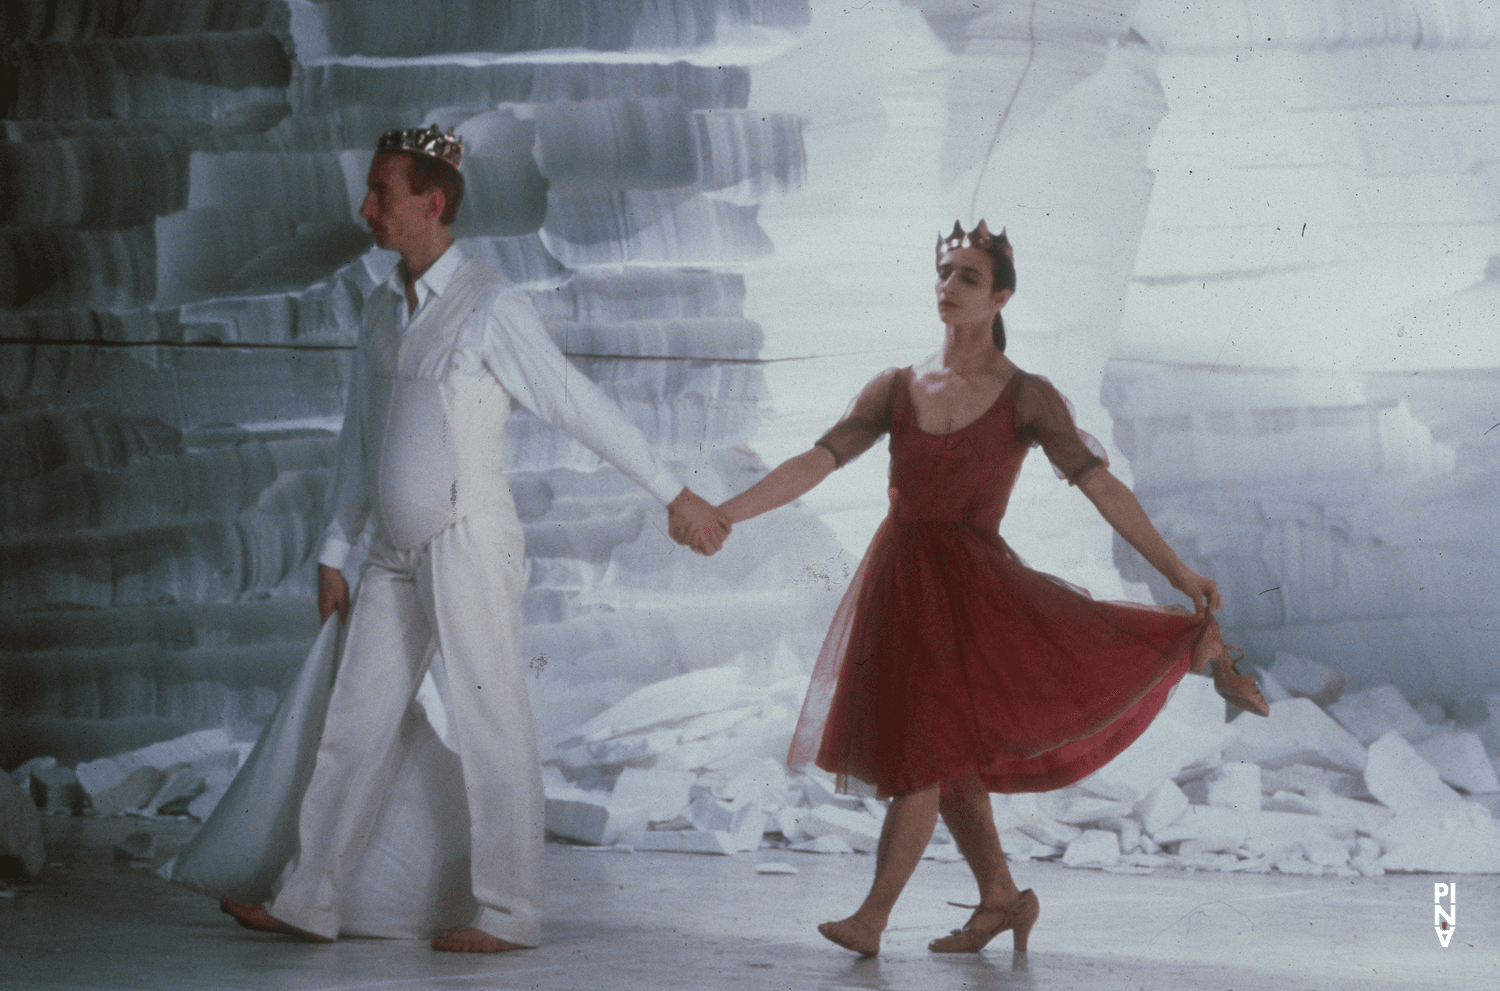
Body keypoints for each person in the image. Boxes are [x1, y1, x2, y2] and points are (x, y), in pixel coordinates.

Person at [216, 124, 730, 953]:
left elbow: (573, 402)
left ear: (433, 201)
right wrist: (332, 549)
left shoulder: (492, 307)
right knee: (354, 718)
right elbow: (361, 437)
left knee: (490, 717)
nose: (366, 208)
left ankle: (509, 909)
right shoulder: (384, 308)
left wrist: (675, 492)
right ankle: (310, 895)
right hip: (389, 549)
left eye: (382, 193)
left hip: (467, 537)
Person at [714, 221, 1268, 957]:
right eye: (944, 272)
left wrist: (1177, 571)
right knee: (946, 755)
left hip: (976, 594)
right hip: (901, 586)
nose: (949, 287)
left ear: (1001, 294)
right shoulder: (896, 386)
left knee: (927, 753)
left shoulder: (1028, 396)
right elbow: (817, 461)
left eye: (968, 277)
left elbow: (1101, 487)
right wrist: (726, 513)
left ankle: (873, 918)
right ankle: (1002, 897)